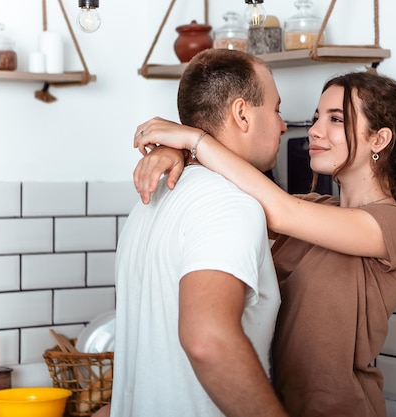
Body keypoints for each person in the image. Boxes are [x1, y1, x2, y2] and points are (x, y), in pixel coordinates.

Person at [133, 70, 396, 417]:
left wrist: (193, 141)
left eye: (335, 119)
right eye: (317, 118)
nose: (314, 130)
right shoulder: (313, 207)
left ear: (379, 139)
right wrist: (180, 156)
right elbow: (240, 190)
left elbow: (279, 209)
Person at [108, 49, 289, 417]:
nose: (284, 124)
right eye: (276, 109)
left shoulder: (152, 201)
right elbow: (207, 340)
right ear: (242, 114)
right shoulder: (229, 203)